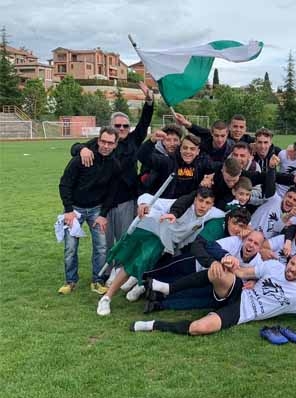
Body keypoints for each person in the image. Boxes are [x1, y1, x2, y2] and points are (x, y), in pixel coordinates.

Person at [70, 83, 154, 289]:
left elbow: (145, 121)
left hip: (126, 199)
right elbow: (74, 148)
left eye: (125, 126)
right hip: (103, 202)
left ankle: (121, 271)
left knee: (125, 238)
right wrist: (81, 149)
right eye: (118, 126)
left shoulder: (134, 140)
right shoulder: (102, 142)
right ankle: (105, 272)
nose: (122, 129)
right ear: (110, 128)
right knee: (105, 241)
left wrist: (149, 101)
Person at [96, 187, 224, 316]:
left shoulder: (213, 213)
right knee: (134, 263)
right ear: (195, 199)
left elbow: (226, 214)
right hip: (156, 235)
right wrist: (143, 204)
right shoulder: (179, 204)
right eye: (200, 200)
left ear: (212, 205)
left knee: (164, 267)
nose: (203, 205)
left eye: (207, 203)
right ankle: (106, 298)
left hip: (172, 246)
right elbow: (148, 198)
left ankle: (139, 284)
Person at [130, 252, 296, 335]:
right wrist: (229, 263)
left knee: (198, 328)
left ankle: (150, 325)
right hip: (241, 292)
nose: (292, 269)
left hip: (242, 312)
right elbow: (243, 273)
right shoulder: (274, 266)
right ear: (288, 261)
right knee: (218, 270)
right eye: (292, 263)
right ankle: (168, 288)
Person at [58, 127, 121, 295]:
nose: (106, 146)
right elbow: (65, 184)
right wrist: (68, 210)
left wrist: (103, 214)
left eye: (110, 143)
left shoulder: (115, 165)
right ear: (98, 140)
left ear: (115, 144)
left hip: (96, 210)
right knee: (70, 247)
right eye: (103, 141)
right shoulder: (82, 158)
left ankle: (97, 281)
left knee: (101, 247)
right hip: (75, 209)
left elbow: (112, 193)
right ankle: (70, 281)